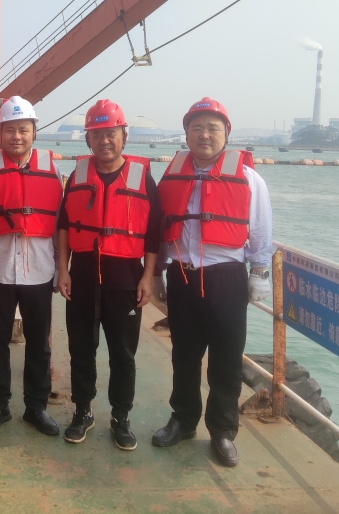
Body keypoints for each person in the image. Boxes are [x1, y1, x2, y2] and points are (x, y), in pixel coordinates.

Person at [151, 97, 274, 467]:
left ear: (226, 134)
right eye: (196, 128)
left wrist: (259, 274)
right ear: (187, 133)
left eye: (212, 128)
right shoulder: (171, 176)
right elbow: (162, 228)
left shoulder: (249, 178)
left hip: (226, 279)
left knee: (226, 359)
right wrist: (157, 272)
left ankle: (222, 431)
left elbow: (261, 230)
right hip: (182, 275)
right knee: (184, 355)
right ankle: (183, 419)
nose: (204, 135)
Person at [56, 99, 161, 451]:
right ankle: (82, 411)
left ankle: (120, 416)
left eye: (111, 133)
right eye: (97, 134)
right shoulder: (77, 176)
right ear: (88, 139)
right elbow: (64, 226)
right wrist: (63, 270)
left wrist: (148, 277)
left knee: (123, 354)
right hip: (83, 274)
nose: (104, 140)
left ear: (124, 136)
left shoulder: (143, 178)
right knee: (81, 349)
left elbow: (154, 234)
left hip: (125, 277)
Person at [0, 96, 64, 436]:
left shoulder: (52, 169)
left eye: (23, 129)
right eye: (10, 130)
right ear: (0, 132)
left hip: (40, 271)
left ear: (34, 131)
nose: (17, 136)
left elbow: (60, 224)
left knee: (39, 344)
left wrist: (61, 268)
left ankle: (36, 407)